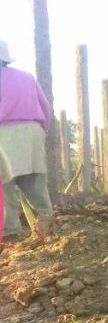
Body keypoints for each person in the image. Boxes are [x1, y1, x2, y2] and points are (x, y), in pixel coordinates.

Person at [0, 39, 54, 242]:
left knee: (4, 186)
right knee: (35, 183)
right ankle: (46, 221)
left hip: (4, 134)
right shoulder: (27, 77)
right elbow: (45, 105)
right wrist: (42, 129)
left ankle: (11, 233)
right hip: (34, 130)